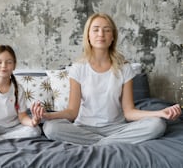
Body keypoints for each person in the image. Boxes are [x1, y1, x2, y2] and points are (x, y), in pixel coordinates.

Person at [32, 12, 182, 145]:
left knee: (158, 125)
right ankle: (108, 143)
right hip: (84, 128)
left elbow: (129, 112)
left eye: (106, 30)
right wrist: (47, 115)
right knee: (50, 128)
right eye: (95, 30)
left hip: (117, 128)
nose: (101, 34)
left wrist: (160, 113)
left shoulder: (124, 68)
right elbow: (72, 112)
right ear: (88, 36)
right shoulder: (78, 68)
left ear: (112, 37)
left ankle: (99, 143)